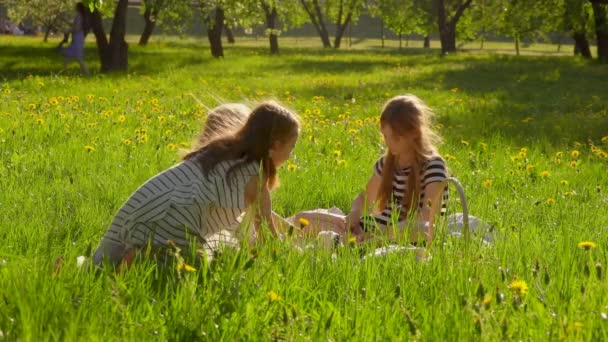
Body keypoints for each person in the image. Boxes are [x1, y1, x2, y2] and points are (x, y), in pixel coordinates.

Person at [92, 101, 300, 267]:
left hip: (150, 205)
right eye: (291, 147)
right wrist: (294, 259)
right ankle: (138, 259)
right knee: (194, 271)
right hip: (177, 217)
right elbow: (267, 238)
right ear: (275, 145)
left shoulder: (221, 151)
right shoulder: (256, 175)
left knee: (205, 257)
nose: (290, 156)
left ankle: (125, 258)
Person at [295, 94, 448, 248]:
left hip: (404, 233)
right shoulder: (387, 163)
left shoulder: (433, 165)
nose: (388, 142)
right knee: (301, 219)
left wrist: (379, 233)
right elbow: (364, 197)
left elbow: (427, 217)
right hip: (373, 228)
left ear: (414, 132)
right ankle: (347, 241)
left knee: (424, 228)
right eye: (385, 136)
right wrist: (354, 214)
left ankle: (345, 243)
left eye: (394, 137)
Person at [59, 2, 89, 76]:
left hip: (77, 37)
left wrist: (68, 31)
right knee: (68, 56)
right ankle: (64, 72)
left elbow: (77, 28)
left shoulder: (79, 16)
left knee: (79, 58)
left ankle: (87, 74)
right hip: (78, 37)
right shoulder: (81, 16)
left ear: (78, 8)